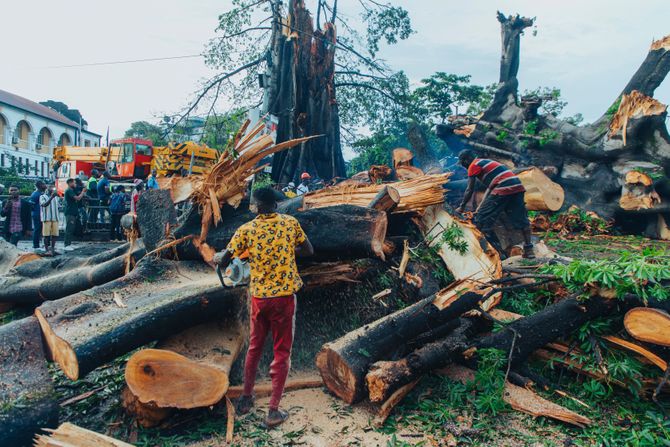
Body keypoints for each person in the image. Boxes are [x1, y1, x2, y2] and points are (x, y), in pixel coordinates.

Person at [213, 187, 314, 428]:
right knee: (282, 352)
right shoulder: (290, 224)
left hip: (259, 298)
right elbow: (309, 250)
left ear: (255, 207)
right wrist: (287, 251)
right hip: (284, 298)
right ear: (276, 205)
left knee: (255, 347)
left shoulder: (246, 230)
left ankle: (247, 399)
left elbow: (225, 260)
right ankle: (273, 411)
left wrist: (220, 258)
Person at [456, 150, 534, 258]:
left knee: (481, 220)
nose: (464, 167)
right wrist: (480, 207)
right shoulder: (485, 162)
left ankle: (493, 253)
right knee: (521, 220)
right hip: (517, 187)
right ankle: (529, 250)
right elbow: (490, 188)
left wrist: (461, 207)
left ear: (466, 160)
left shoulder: (473, 165)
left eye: (463, 163)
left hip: (503, 188)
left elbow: (469, 189)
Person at [64, 178, 86, 251]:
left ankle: (69, 243)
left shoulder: (72, 190)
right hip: (70, 212)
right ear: (70, 183)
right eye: (74, 183)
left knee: (72, 228)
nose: (75, 184)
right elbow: (78, 198)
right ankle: (66, 244)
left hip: (73, 212)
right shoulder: (69, 191)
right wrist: (82, 192)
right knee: (69, 228)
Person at [40, 184, 60, 256]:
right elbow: (44, 205)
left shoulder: (56, 197)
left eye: (52, 187)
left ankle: (52, 249)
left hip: (55, 217)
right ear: (47, 188)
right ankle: (46, 250)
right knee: (46, 235)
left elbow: (59, 206)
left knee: (55, 234)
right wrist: (51, 197)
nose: (52, 188)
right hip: (46, 218)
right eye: (50, 186)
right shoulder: (42, 196)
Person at [30, 181, 47, 250]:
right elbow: (31, 205)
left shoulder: (40, 193)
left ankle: (40, 244)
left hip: (40, 214)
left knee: (41, 230)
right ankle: (36, 245)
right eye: (43, 184)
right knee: (37, 230)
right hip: (37, 214)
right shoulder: (36, 194)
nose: (45, 185)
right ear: (40, 185)